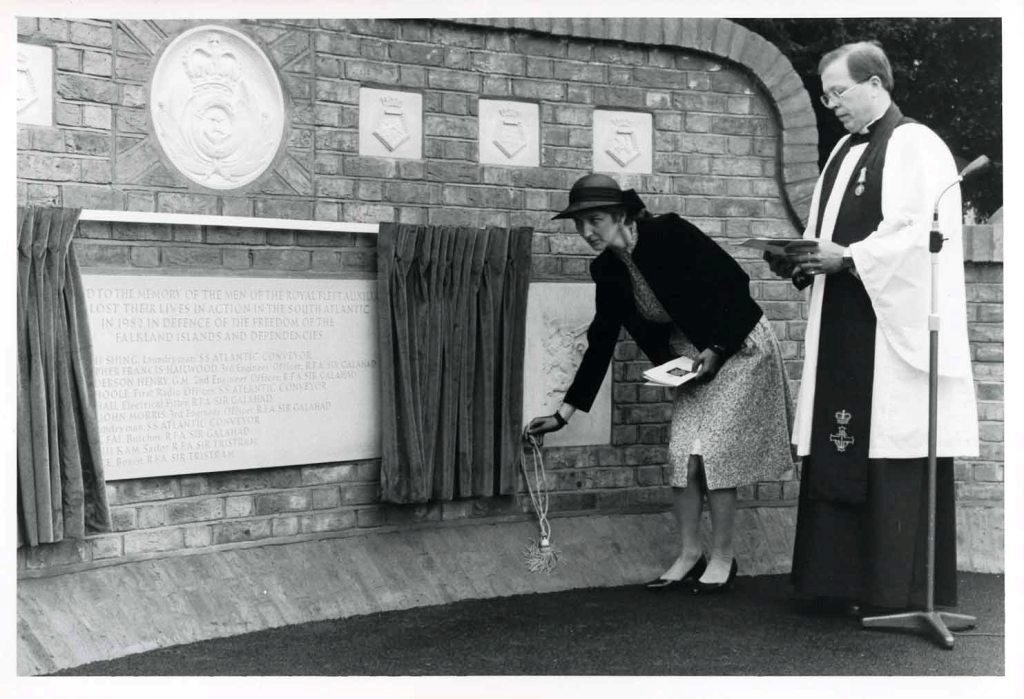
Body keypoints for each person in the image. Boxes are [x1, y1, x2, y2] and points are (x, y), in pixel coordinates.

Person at [764, 41, 979, 614]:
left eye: (839, 91)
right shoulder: (842, 150)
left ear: (876, 84)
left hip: (886, 335)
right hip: (843, 321)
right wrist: (801, 258)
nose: (832, 103)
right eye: (825, 95)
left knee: (882, 440)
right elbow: (824, 234)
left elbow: (920, 235)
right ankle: (834, 583)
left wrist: (851, 258)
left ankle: (890, 589)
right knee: (837, 439)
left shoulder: (916, 144)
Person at [526, 173, 795, 593]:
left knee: (713, 452)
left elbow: (735, 285)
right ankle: (689, 554)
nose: (586, 232)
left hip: (736, 344)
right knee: (682, 456)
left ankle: (723, 558)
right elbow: (601, 341)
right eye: (579, 224)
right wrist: (563, 414)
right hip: (692, 360)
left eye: (595, 220)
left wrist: (718, 347)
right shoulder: (607, 269)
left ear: (621, 215)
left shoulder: (669, 233)